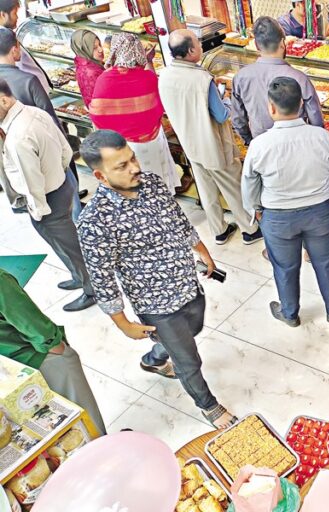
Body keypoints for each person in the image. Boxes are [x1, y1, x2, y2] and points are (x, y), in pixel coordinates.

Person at [76, 130, 237, 430]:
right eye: (121, 166)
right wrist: (122, 323)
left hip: (187, 283)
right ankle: (209, 406)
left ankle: (156, 356)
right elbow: (102, 278)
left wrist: (201, 251)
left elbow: (178, 220)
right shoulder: (95, 221)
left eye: (132, 158)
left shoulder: (151, 183)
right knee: (188, 360)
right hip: (155, 303)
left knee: (195, 327)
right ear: (99, 175)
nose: (134, 168)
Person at [241, 77, 329, 327]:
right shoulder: (323, 137)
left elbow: (249, 184)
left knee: (284, 267)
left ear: (271, 107)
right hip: (320, 212)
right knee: (326, 262)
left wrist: (256, 210)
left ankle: (289, 313)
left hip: (278, 217)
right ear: (301, 105)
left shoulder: (260, 145)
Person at [160, 30, 261, 246]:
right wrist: (225, 99)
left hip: (189, 142)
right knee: (232, 185)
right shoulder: (201, 79)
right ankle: (250, 229)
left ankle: (219, 230)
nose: (201, 46)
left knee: (206, 190)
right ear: (190, 51)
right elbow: (222, 114)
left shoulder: (166, 75)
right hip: (212, 143)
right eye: (198, 43)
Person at [0, 81, 95, 312]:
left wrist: (37, 210)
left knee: (69, 245)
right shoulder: (34, 112)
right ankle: (77, 276)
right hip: (61, 185)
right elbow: (65, 148)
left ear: (3, 100)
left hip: (47, 199)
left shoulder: (18, 137)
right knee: (67, 243)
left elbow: (31, 181)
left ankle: (92, 289)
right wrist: (62, 174)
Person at [0, 268, 106, 435]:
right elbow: (31, 322)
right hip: (34, 356)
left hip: (8, 372)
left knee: (41, 426)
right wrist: (54, 345)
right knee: (82, 417)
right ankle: (104, 450)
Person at [0, 28, 83, 221]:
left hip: (17, 155)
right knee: (68, 202)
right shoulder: (28, 80)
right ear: (15, 50)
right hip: (46, 149)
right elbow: (51, 118)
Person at [89, 33, 180, 193]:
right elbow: (158, 102)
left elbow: (96, 113)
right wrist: (149, 61)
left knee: (135, 190)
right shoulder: (146, 77)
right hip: (150, 142)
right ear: (137, 51)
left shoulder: (104, 79)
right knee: (157, 187)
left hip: (122, 146)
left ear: (115, 51)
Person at [231, 16, 323, 145]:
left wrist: (251, 142)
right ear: (282, 43)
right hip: (297, 146)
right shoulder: (299, 78)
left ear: (257, 45)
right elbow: (317, 123)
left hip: (261, 147)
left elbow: (238, 121)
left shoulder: (240, 77)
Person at [0, 0, 52, 93]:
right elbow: (16, 71)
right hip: (32, 92)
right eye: (15, 13)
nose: (17, 17)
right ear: (3, 15)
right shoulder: (6, 38)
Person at [70, 29, 105, 109]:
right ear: (83, 49)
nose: (100, 50)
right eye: (94, 48)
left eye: (100, 45)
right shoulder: (92, 72)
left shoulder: (82, 62)